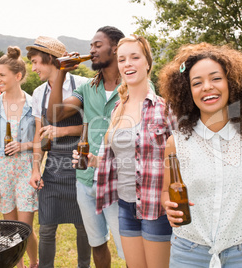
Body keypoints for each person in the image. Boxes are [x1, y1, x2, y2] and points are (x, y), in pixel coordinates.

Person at [159, 43, 242, 268]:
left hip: (241, 256)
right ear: (187, 92)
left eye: (216, 78)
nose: (207, 87)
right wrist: (168, 205)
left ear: (232, 84)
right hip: (187, 254)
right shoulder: (176, 143)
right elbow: (167, 190)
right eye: (197, 82)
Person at [73, 35, 177, 268]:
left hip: (155, 207)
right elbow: (118, 161)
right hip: (125, 206)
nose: (127, 64)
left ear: (148, 63)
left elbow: (182, 160)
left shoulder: (165, 109)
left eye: (134, 57)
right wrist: (92, 161)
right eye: (122, 59)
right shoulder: (118, 110)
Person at [46, 26, 126, 267]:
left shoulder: (133, 86)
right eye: (90, 45)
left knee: (129, 246)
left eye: (97, 45)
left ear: (115, 48)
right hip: (86, 178)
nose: (91, 50)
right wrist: (60, 73)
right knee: (97, 242)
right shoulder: (86, 89)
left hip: (120, 179)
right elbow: (54, 116)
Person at [26, 36, 91, 268]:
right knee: (46, 228)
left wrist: (62, 132)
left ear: (51, 60)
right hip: (53, 168)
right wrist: (36, 167)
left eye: (36, 62)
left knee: (84, 228)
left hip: (80, 165)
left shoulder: (83, 84)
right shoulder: (38, 93)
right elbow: (38, 135)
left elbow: (93, 125)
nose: (33, 68)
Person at [0, 46, 38, 268]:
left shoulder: (34, 105)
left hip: (26, 169)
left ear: (18, 76)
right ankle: (20, 265)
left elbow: (42, 142)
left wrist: (23, 145)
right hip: (2, 171)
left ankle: (35, 263)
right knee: (10, 228)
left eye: (2, 75)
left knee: (25, 228)